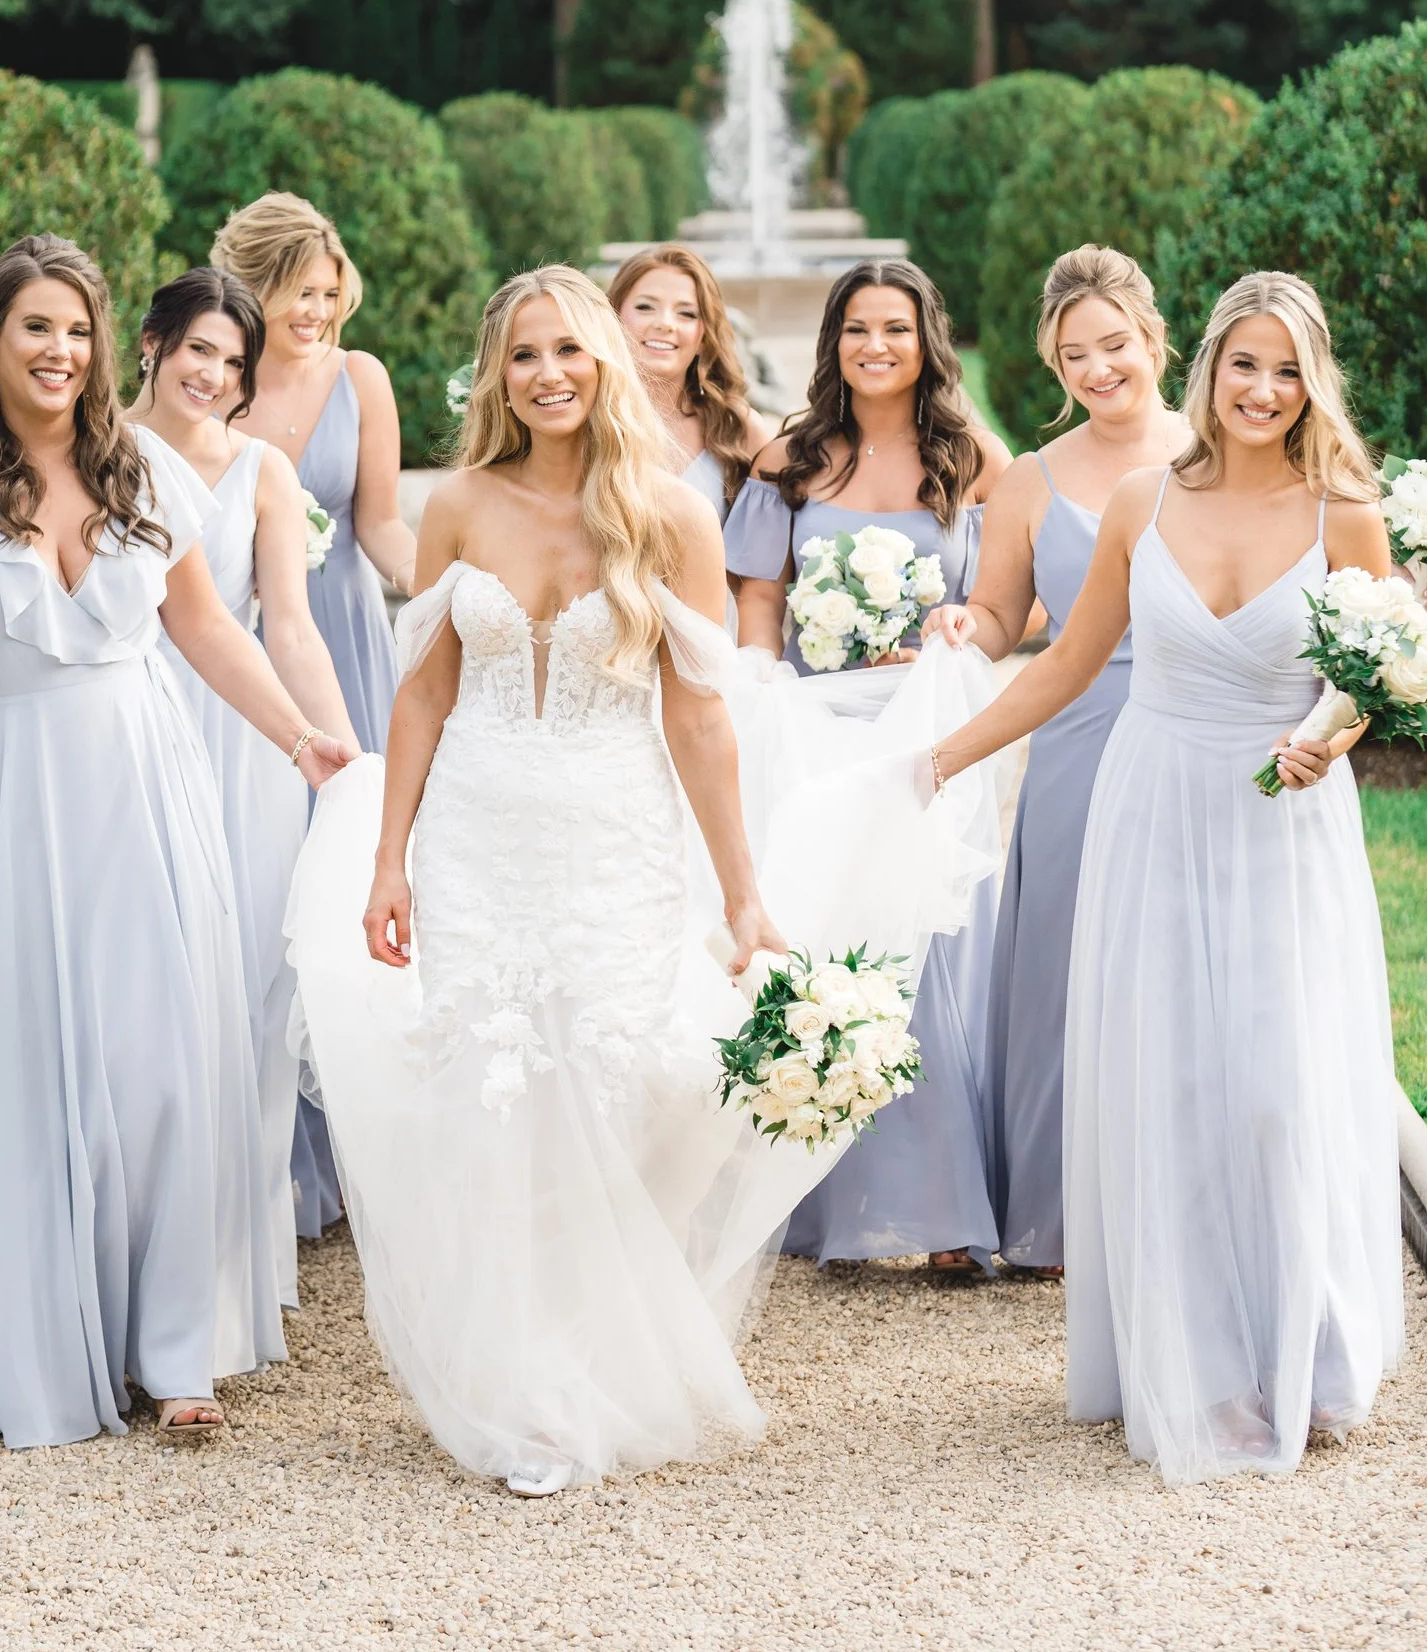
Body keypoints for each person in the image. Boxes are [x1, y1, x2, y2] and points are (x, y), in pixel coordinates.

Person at [286, 272, 950, 1498]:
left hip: (614, 844)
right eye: (525, 354)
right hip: (477, 838)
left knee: (615, 1088)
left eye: (570, 352)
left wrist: (743, 895)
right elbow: (424, 689)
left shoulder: (671, 519)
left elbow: (701, 722)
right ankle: (516, 1382)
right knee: (489, 1096)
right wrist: (389, 856)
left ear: (601, 363)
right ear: (499, 371)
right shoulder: (461, 508)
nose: (550, 374)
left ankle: (593, 1353)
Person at [0, 236, 355, 1451]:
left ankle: (174, 1353)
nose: (59, 352)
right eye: (35, 329)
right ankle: (27, 1342)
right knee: (20, 1063)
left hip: (142, 779)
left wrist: (302, 739)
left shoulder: (143, 473)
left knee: (165, 1061)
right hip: (3, 789)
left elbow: (204, 632)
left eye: (75, 331)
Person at [917, 271, 1406, 1483]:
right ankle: (1187, 1364)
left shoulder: (1343, 510)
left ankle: (1301, 1350)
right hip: (1152, 808)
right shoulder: (1142, 502)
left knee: (1274, 1086)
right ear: (1210, 367)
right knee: (1174, 1081)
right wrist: (938, 758)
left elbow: (1379, 669)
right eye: (1245, 363)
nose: (1263, 389)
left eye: (1287, 370)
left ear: (1313, 382)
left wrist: (1329, 733)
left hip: (1282, 829)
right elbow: (1067, 663)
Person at [724, 261, 1011, 1278]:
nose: (874, 346)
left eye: (894, 327)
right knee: (825, 933)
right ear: (832, 343)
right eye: (855, 329)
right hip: (816, 723)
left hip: (924, 727)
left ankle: (938, 1207)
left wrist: (961, 621)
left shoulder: (974, 458)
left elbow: (1019, 603)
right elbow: (759, 589)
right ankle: (817, 1199)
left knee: (922, 945)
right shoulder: (791, 458)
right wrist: (759, 668)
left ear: (928, 339)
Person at [927, 246, 1190, 1276]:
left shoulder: (1220, 450)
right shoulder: (1031, 481)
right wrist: (964, 627)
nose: (1096, 370)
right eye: (1072, 355)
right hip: (1079, 742)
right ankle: (1056, 1215)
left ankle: (1174, 1203)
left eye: (1113, 346)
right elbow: (1005, 613)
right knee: (1063, 973)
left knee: (1179, 965)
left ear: (1154, 339)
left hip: (1190, 730)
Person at [133, 268, 358, 1315]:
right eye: (198, 353)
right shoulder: (97, 456)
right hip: (130, 738)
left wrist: (340, 756)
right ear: (150, 346)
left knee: (256, 1009)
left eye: (234, 361)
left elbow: (289, 626)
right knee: (152, 1001)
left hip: (248, 741)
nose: (215, 377)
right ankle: (137, 1262)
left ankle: (236, 1281)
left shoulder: (264, 470)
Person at [217, 189, 413, 1239]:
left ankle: (361, 1149)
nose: (317, 316)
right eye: (300, 295)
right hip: (242, 645)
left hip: (346, 640)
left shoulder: (361, 378)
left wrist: (442, 598)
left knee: (357, 876)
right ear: (254, 286)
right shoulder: (214, 376)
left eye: (331, 297)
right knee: (262, 884)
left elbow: (378, 522)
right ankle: (270, 1154)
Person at [607, 243, 763, 518]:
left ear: (703, 336)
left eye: (686, 313)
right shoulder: (583, 422)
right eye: (646, 307)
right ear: (613, 317)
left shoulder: (739, 428)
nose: (665, 323)